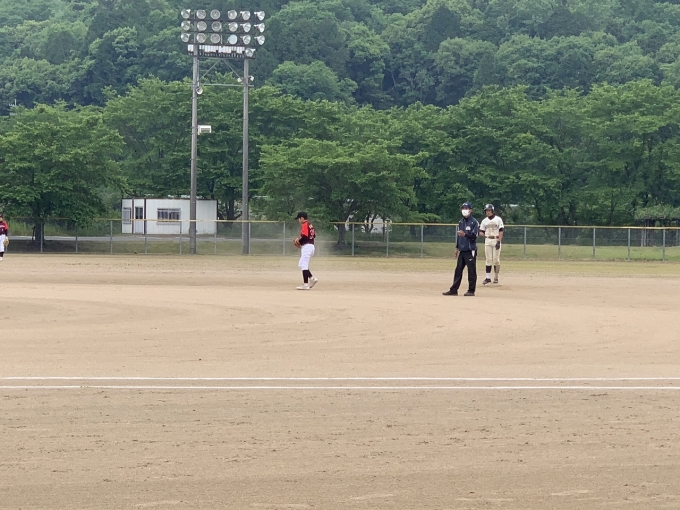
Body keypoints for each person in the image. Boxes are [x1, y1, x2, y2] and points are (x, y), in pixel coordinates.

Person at [443, 202, 478, 296]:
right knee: (458, 270)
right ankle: (454, 290)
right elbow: (459, 236)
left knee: (471, 270)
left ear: (471, 210)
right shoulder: (461, 222)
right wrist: (457, 248)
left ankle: (471, 290)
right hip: (462, 250)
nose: (464, 210)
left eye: (466, 208)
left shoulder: (474, 222)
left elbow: (474, 236)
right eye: (463, 208)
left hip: (470, 250)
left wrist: (465, 234)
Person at [479, 204, 504, 285]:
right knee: (488, 259)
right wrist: (482, 234)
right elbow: (481, 232)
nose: (488, 212)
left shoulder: (498, 219)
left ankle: (496, 276)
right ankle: (488, 277)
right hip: (488, 240)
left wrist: (499, 241)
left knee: (496, 259)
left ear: (492, 211)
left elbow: (501, 231)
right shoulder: (484, 221)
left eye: (489, 210)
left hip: (496, 239)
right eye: (486, 210)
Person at [294, 211, 318, 290]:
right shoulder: (310, 225)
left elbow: (305, 236)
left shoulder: (304, 224)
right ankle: (312, 278)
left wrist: (299, 241)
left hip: (307, 247)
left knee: (304, 265)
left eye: (299, 218)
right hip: (311, 246)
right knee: (301, 264)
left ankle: (305, 284)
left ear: (302, 218)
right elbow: (314, 235)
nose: (298, 220)